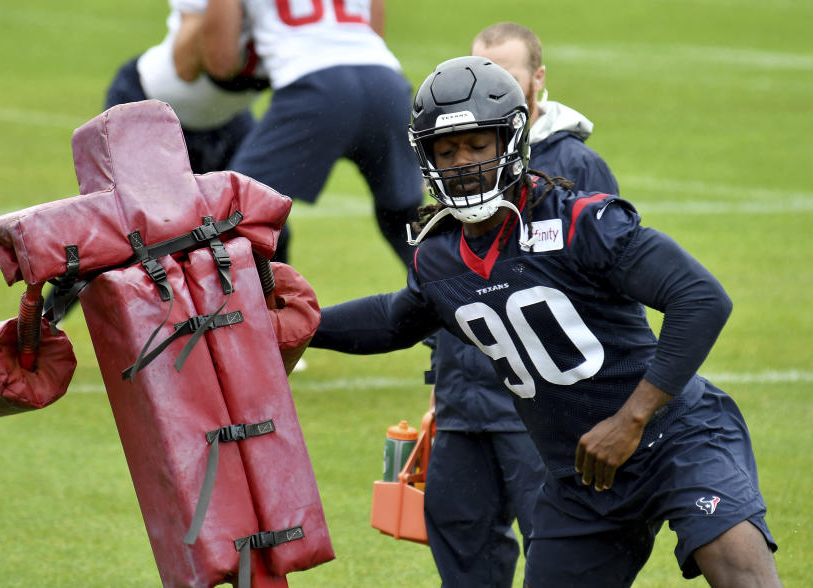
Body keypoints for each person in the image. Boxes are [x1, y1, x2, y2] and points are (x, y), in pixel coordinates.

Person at [311, 56, 781, 587]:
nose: (463, 163)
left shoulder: (578, 219)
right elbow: (395, 320)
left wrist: (631, 420)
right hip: (582, 478)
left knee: (741, 572)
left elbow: (701, 298)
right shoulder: (438, 255)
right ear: (427, 159)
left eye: (476, 145)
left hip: (675, 436)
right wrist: (301, 322)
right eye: (447, 151)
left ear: (511, 141)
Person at [421, 22, 621, 586]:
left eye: (505, 79)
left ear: (537, 80)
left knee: (555, 554)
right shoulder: (456, 164)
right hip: (464, 406)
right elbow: (444, 283)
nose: (489, 93)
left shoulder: (577, 167)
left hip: (540, 413)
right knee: (462, 552)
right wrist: (442, 385)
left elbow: (608, 294)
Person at [198, 0, 423, 266]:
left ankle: (273, 301)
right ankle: (458, 294)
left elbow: (220, 62)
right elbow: (373, 30)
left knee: (237, 212)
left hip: (316, 90)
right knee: (404, 215)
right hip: (386, 84)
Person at [103, 0, 268, 174]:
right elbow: (187, 67)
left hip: (227, 117)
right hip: (148, 107)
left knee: (259, 193)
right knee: (143, 198)